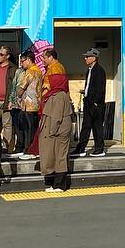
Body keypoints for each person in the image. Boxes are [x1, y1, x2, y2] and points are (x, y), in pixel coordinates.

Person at [37, 46, 75, 191]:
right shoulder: (55, 94)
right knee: (55, 156)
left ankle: (59, 184)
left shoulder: (59, 95)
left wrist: (50, 131)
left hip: (57, 130)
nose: (46, 84)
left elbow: (57, 116)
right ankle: (54, 183)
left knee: (58, 156)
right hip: (55, 129)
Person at [72, 48, 109, 157]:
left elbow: (100, 89)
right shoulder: (89, 70)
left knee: (97, 127)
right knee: (86, 126)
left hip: (96, 104)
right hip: (88, 102)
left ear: (94, 58)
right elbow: (90, 86)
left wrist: (96, 102)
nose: (85, 58)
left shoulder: (99, 71)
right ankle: (81, 148)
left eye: (88, 57)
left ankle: (99, 148)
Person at [11, 48, 43, 159]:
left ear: (29, 60)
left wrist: (18, 94)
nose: (21, 63)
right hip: (36, 103)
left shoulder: (30, 71)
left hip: (28, 105)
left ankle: (29, 150)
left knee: (28, 128)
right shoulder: (39, 71)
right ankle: (33, 149)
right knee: (33, 127)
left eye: (23, 61)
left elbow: (22, 87)